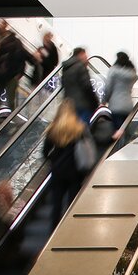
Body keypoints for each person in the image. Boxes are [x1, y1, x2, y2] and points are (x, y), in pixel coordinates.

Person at [43, 101, 91, 231]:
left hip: (58, 171)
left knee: (56, 204)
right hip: (75, 171)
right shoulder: (80, 128)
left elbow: (45, 152)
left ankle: (53, 232)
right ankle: (71, 231)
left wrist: (53, 160)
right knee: (72, 203)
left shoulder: (53, 129)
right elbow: (86, 149)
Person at [0, 24, 28, 111]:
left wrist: (20, 73)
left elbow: (23, 57)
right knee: (1, 99)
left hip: (10, 75)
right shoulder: (1, 43)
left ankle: (8, 115)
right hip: (2, 75)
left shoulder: (15, 43)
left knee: (8, 100)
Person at [61, 47, 99, 125]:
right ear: (80, 54)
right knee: (82, 129)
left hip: (68, 105)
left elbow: (63, 84)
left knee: (71, 128)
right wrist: (95, 102)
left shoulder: (66, 68)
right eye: (85, 56)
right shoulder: (80, 67)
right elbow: (87, 86)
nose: (87, 59)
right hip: (82, 106)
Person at [103, 51, 138, 133]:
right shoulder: (132, 73)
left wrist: (104, 101)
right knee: (126, 130)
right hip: (128, 106)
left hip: (115, 106)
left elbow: (108, 88)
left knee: (117, 132)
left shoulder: (113, 71)